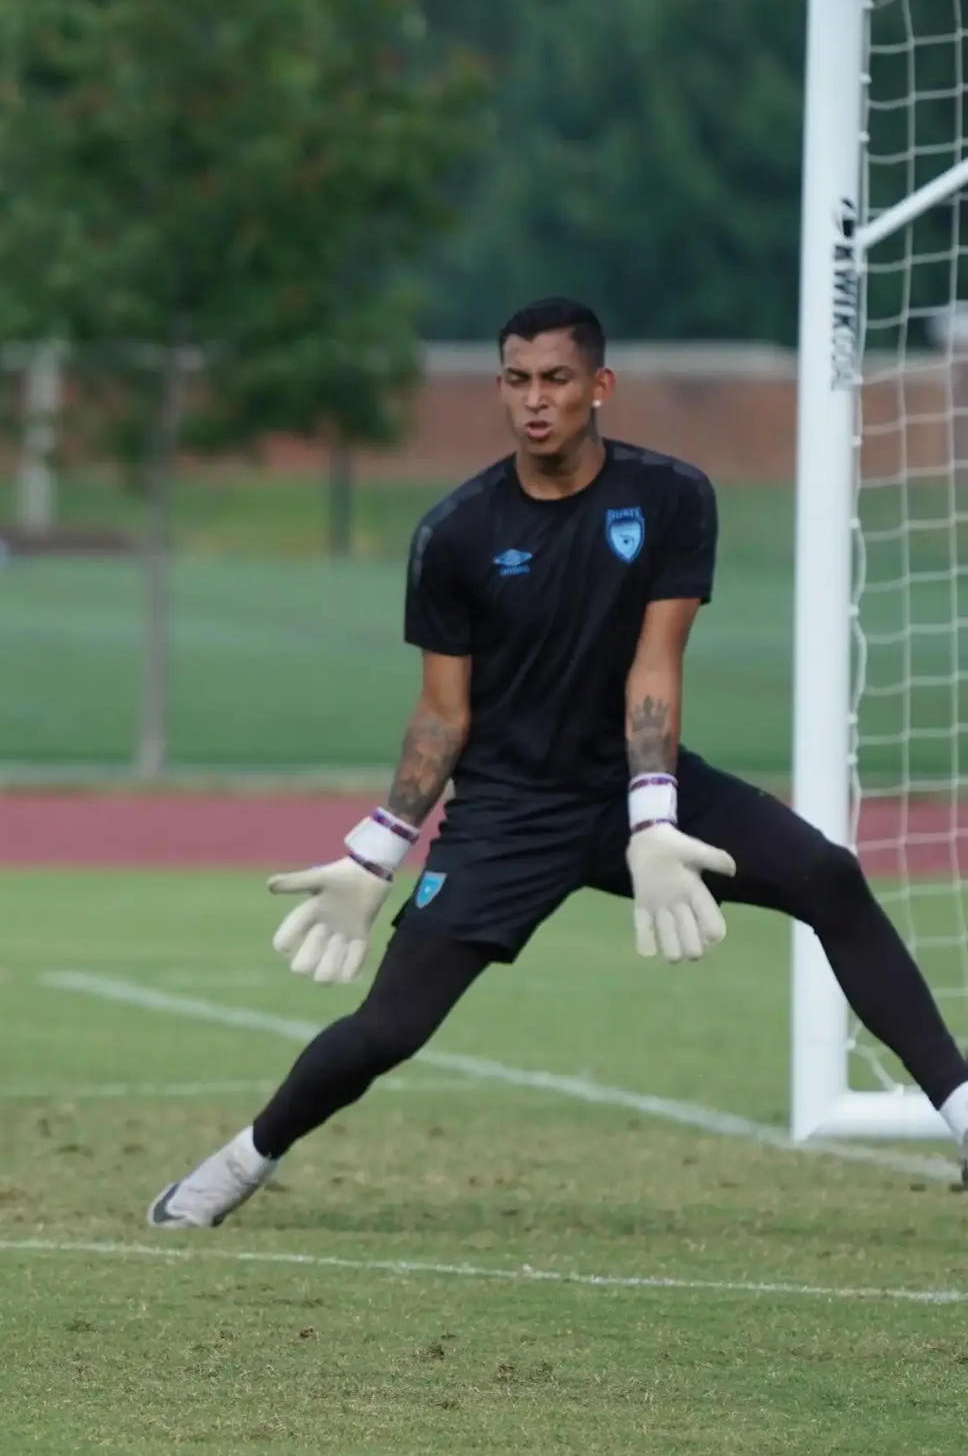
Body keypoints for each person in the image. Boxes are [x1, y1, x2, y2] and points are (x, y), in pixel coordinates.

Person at [149, 298, 968, 1228]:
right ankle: (235, 1167)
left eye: (556, 380)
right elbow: (441, 715)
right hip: (507, 812)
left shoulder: (672, 497)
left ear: (599, 387)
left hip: (640, 786)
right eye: (517, 380)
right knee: (387, 1030)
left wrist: (653, 816)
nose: (535, 400)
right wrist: (379, 848)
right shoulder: (453, 533)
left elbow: (656, 666)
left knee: (829, 875)